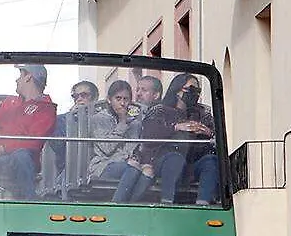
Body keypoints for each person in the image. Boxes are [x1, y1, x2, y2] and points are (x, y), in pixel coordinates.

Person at [0, 64, 57, 200]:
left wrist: (4, 148)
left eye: (20, 76)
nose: (17, 80)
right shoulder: (9, 102)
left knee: (21, 155)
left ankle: (29, 201)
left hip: (20, 161)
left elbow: (35, 141)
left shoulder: (46, 109)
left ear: (28, 77)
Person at [138, 73, 218, 205]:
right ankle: (167, 202)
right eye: (190, 89)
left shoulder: (203, 114)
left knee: (210, 161)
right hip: (163, 162)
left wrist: (208, 133)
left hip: (190, 164)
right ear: (177, 91)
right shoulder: (160, 110)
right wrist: (177, 127)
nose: (194, 94)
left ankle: (202, 204)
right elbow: (149, 135)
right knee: (175, 158)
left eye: (197, 91)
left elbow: (215, 140)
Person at [87, 80, 153, 202]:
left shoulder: (135, 124)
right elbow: (107, 148)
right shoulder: (99, 119)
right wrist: (122, 124)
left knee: (148, 171)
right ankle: (116, 206)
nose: (122, 103)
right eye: (118, 98)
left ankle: (128, 206)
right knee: (133, 167)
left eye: (126, 99)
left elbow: (132, 149)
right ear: (109, 99)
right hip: (103, 165)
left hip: (128, 164)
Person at [49, 80, 99, 170]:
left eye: (84, 95)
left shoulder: (103, 117)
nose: (79, 99)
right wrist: (71, 119)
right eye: (75, 96)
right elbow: (57, 146)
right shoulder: (62, 119)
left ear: (95, 98)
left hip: (95, 165)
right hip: (69, 166)